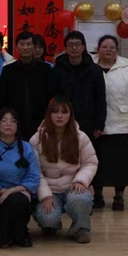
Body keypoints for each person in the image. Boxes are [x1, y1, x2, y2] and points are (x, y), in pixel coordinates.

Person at [30, 97, 98, 244]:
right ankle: (50, 225)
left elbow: (90, 162)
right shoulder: (37, 139)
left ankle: (80, 229)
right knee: (48, 218)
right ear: (49, 114)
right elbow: (34, 171)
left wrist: (81, 180)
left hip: (72, 186)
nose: (59, 116)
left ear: (70, 115)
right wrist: (45, 195)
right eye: (55, 112)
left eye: (64, 112)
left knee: (82, 199)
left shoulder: (81, 137)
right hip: (49, 189)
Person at [93, 35, 128, 211]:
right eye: (104, 47)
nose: (108, 50)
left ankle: (119, 196)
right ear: (98, 49)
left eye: (112, 47)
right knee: (97, 161)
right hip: (97, 124)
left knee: (120, 163)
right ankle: (97, 195)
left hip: (122, 123)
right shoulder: (90, 68)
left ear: (117, 50)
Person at [0, 109, 40, 248]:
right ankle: (8, 230)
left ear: (17, 125)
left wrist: (12, 191)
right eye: (4, 120)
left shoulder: (26, 148)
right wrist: (6, 193)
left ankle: (20, 233)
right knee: (2, 242)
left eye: (13, 121)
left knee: (17, 200)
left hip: (21, 194)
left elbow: (33, 178)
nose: (9, 124)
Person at [0, 31, 56, 141]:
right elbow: (1, 100)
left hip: (41, 122)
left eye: (29, 44)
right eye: (22, 44)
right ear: (16, 47)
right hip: (15, 123)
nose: (25, 47)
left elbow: (52, 97)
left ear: (34, 47)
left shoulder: (45, 70)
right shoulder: (8, 71)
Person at [54, 31, 107, 141]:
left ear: (83, 47)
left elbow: (100, 98)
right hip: (63, 120)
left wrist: (99, 124)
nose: (74, 48)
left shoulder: (95, 70)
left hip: (88, 121)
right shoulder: (57, 70)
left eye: (77, 44)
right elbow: (53, 97)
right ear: (65, 48)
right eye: (70, 44)